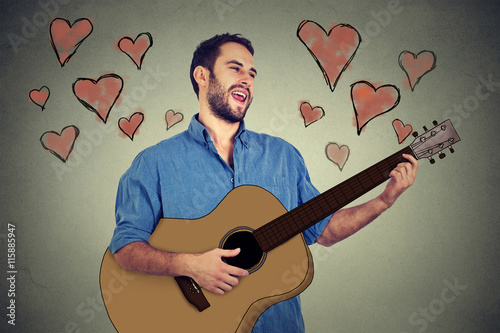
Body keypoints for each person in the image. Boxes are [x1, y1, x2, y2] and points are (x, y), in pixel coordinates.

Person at [108, 33, 418, 332]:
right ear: (202, 75)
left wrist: (384, 200)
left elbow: (324, 230)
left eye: (252, 73)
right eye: (235, 68)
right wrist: (189, 266)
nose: (246, 78)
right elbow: (125, 248)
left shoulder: (283, 156)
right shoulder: (155, 163)